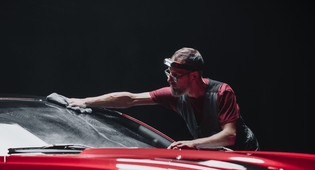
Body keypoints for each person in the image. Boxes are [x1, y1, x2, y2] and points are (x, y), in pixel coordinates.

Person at [67, 47, 259, 151]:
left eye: (175, 75)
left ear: (194, 76)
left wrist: (193, 143)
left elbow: (229, 136)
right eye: (169, 72)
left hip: (245, 153)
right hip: (211, 153)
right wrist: (85, 101)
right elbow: (130, 99)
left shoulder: (222, 92)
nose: (169, 79)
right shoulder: (175, 95)